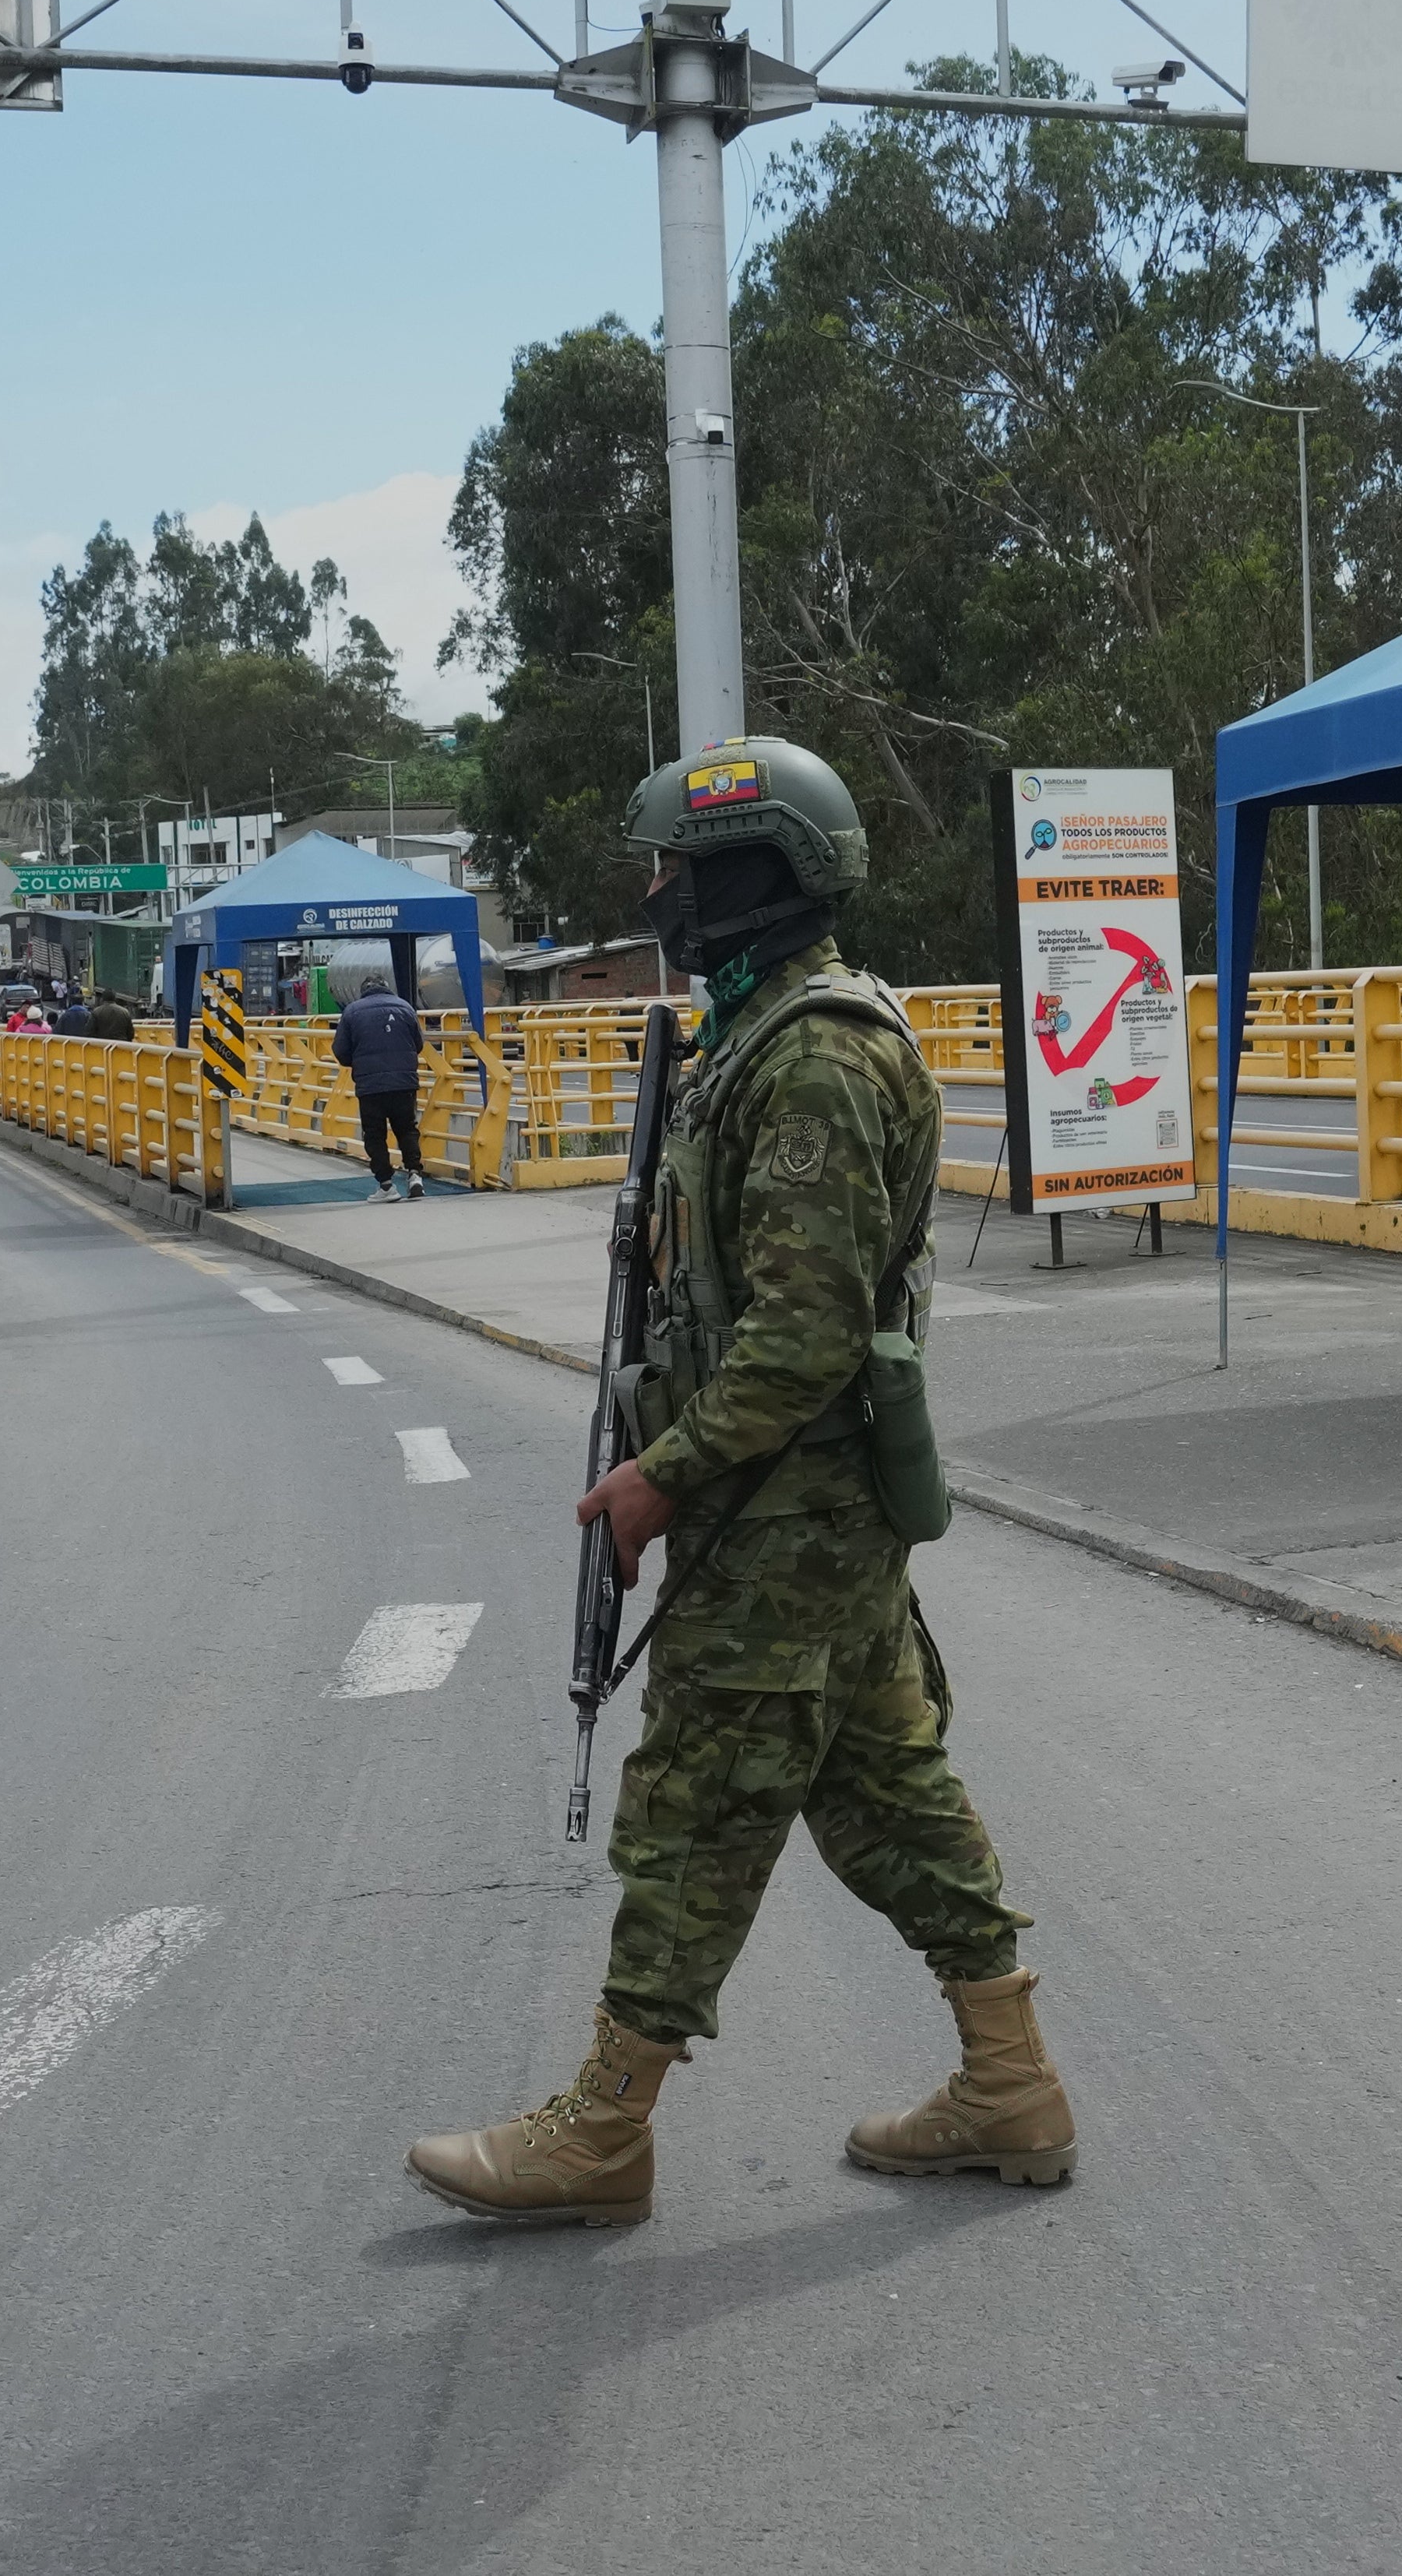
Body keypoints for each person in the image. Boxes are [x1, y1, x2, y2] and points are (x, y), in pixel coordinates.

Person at [408, 736, 1061, 2226]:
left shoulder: (816, 1057)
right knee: (888, 1792)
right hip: (804, 1512)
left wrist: (661, 1477)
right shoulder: (759, 1036)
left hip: (782, 1521)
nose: (657, 895)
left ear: (752, 879)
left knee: (697, 1813)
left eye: (679, 873)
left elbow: (806, 1330)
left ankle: (601, 2131)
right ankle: (1008, 2082)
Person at [332, 970, 430, 1198]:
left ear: (363, 991)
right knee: (407, 1129)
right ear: (387, 987)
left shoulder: (352, 1012)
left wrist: (358, 1063)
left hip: (370, 1085)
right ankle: (415, 1175)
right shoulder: (405, 1008)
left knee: (375, 1135)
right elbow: (418, 1044)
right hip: (404, 1083)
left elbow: (341, 1052)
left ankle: (386, 1185)